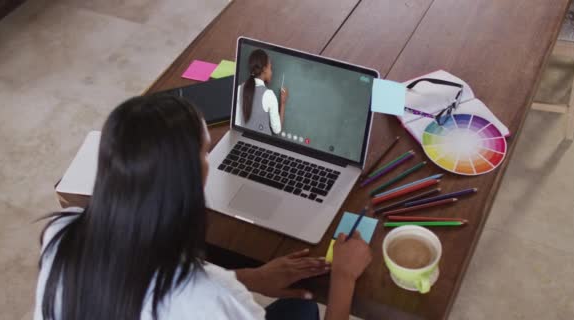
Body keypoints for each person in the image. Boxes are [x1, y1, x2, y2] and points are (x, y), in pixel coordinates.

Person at [34, 95, 372, 320]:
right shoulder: (208, 301)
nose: (210, 159)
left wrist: (252, 277)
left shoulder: (60, 233)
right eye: (205, 151)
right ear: (189, 178)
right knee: (303, 310)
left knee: (298, 308)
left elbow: (139, 280)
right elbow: (195, 295)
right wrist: (343, 278)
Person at [235, 49, 288, 135]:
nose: (272, 72)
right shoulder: (269, 95)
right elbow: (277, 130)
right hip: (262, 144)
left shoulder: (239, 89)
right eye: (270, 68)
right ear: (264, 69)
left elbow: (237, 124)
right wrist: (283, 103)